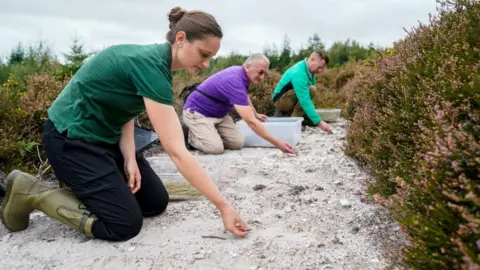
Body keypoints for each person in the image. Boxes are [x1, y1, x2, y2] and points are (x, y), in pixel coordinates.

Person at [0, 7, 249, 242]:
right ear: (181, 38)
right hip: (70, 140)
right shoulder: (150, 66)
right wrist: (223, 207)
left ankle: (93, 187)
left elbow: (125, 108)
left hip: (106, 140)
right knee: (124, 224)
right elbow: (177, 152)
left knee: (154, 202)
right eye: (204, 54)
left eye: (211, 57)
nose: (206, 64)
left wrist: (129, 157)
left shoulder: (155, 62)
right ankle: (33, 191)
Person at [181, 53, 296, 155]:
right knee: (215, 148)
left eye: (265, 74)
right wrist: (278, 143)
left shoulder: (241, 75)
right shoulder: (234, 80)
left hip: (219, 115)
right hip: (198, 113)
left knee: (237, 144)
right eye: (260, 72)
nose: (262, 77)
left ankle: (208, 134)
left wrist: (255, 113)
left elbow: (243, 96)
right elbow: (250, 122)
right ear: (247, 66)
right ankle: (190, 136)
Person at [271, 50, 332, 133]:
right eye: (319, 67)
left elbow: (309, 99)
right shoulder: (299, 71)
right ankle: (293, 123)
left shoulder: (310, 71)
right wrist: (320, 122)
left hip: (289, 98)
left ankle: (289, 117)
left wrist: (315, 118)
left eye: (322, 68)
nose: (320, 71)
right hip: (280, 101)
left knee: (313, 119)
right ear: (312, 60)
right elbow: (304, 100)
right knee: (311, 90)